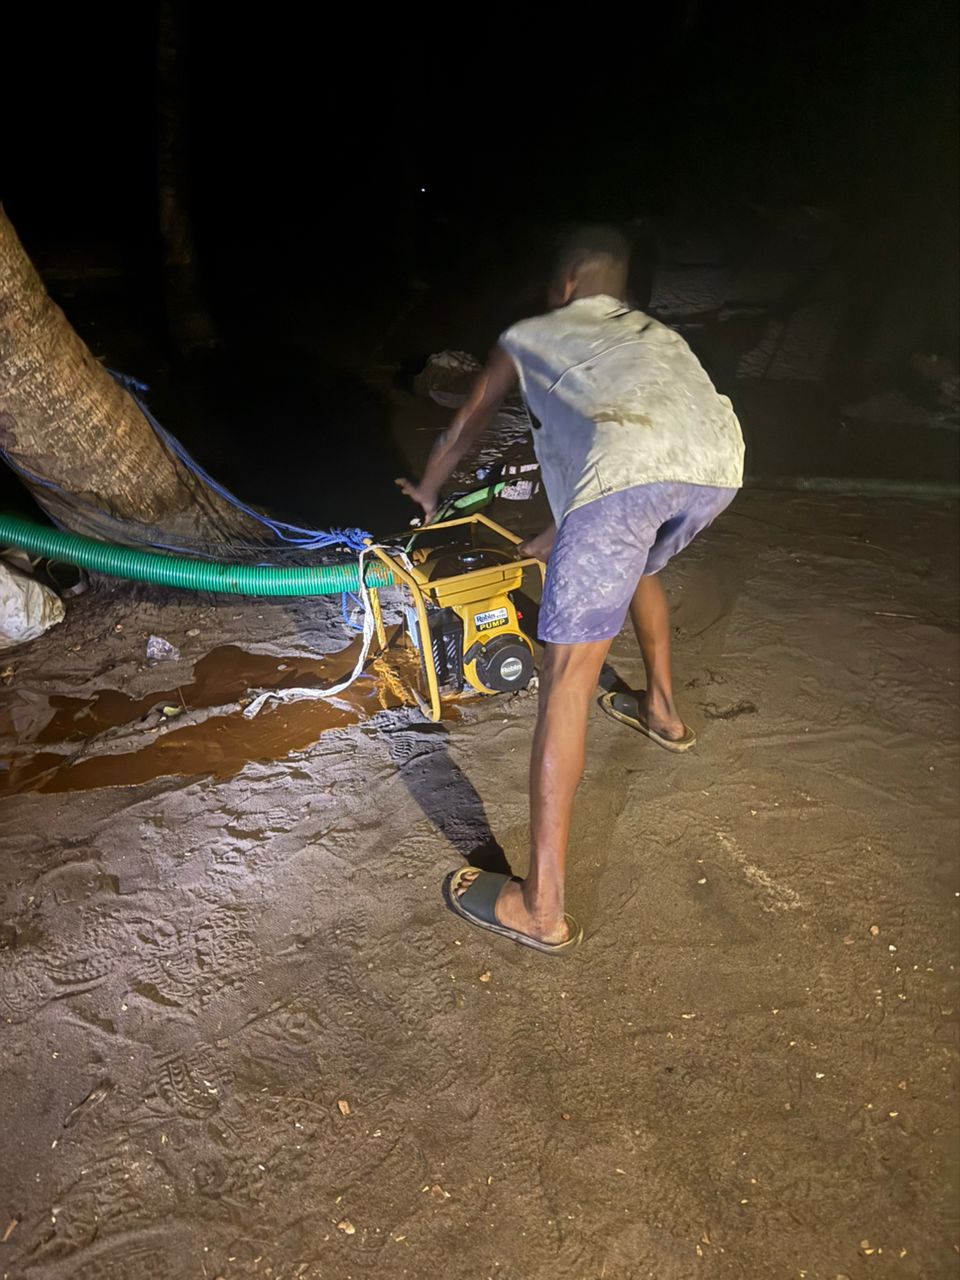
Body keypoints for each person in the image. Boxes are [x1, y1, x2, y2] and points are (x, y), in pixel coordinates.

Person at [397, 226, 744, 954]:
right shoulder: (653, 334)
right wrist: (570, 532)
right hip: (717, 464)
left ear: (562, 287)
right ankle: (663, 712)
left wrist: (427, 491)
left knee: (567, 678)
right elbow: (639, 443)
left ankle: (540, 907)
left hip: (628, 472)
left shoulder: (534, 332)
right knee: (639, 560)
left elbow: (467, 422)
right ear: (617, 287)